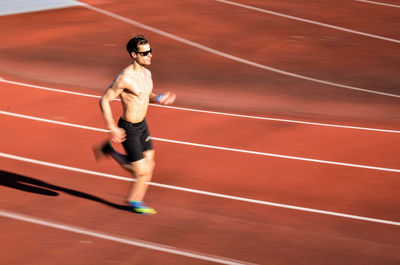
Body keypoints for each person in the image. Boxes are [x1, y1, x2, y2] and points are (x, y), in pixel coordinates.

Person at [93, 35, 176, 215]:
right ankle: (111, 151)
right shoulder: (125, 78)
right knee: (141, 172)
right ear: (134, 55)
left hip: (142, 125)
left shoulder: (147, 73)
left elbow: (147, 95)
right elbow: (104, 100)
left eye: (150, 51)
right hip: (128, 128)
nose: (149, 55)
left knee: (150, 166)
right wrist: (112, 128)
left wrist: (159, 98)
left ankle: (135, 200)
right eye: (145, 53)